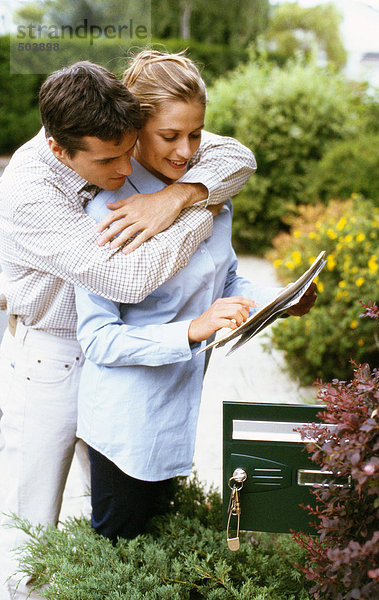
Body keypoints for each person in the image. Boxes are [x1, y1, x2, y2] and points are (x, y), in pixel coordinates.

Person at [0, 61, 257, 600]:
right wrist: (201, 209)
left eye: (129, 149)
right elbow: (129, 274)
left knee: (116, 511)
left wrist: (175, 195)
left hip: (120, 362)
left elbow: (237, 156)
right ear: (60, 150)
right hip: (55, 354)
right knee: (31, 517)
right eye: (110, 159)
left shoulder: (118, 132)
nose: (126, 167)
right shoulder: (32, 191)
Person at [75, 50, 317, 543]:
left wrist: (279, 299)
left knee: (160, 550)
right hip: (125, 425)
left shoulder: (208, 194)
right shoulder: (108, 213)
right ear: (134, 129)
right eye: (170, 136)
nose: (187, 151)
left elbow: (224, 281)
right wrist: (193, 328)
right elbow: (98, 339)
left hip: (179, 406)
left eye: (196, 134)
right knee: (119, 555)